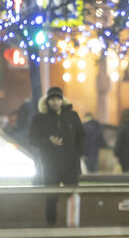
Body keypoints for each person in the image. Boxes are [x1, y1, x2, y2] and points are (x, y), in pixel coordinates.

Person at [28, 86, 86, 226]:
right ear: (47, 101)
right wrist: (48, 141)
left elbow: (82, 136)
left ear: (62, 100)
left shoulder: (72, 116)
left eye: (58, 99)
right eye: (52, 99)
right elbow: (32, 139)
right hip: (50, 165)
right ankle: (51, 227)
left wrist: (77, 153)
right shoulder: (39, 118)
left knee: (73, 196)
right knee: (51, 197)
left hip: (70, 165)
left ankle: (73, 226)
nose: (55, 102)